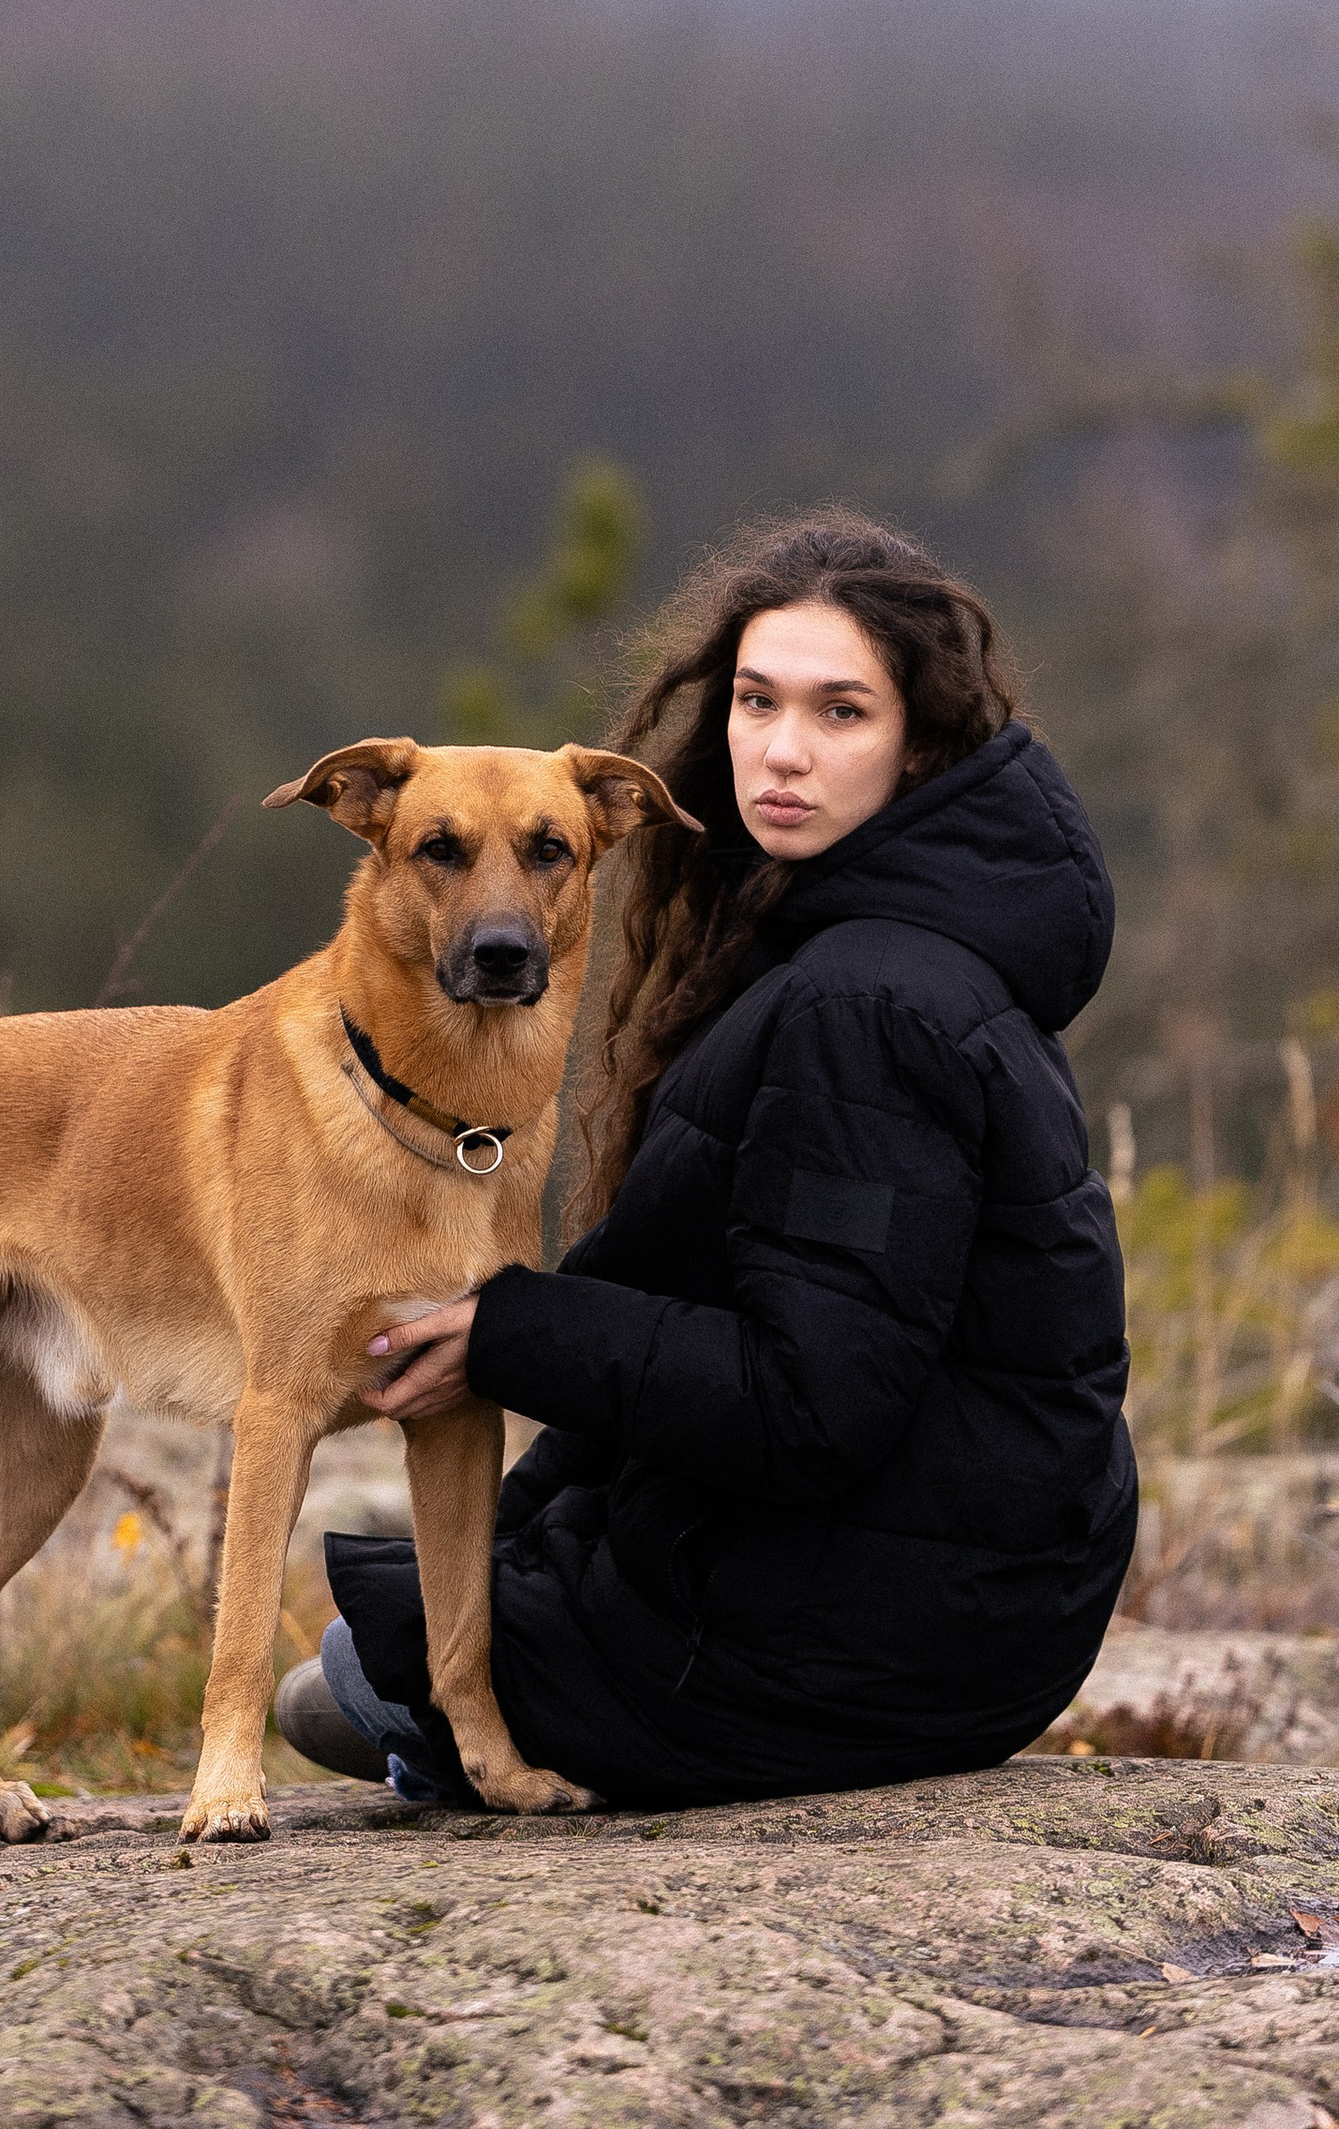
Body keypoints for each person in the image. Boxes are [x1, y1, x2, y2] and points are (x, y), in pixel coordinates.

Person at [274, 508, 1135, 1807]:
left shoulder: (865, 1004)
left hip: (881, 1632)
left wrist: (513, 1331)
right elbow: (734, 1309)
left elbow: (809, 1401)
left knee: (345, 1683)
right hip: (949, 1583)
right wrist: (519, 1525)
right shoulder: (852, 946)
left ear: (918, 746)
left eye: (842, 712)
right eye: (755, 699)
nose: (782, 750)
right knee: (409, 1631)